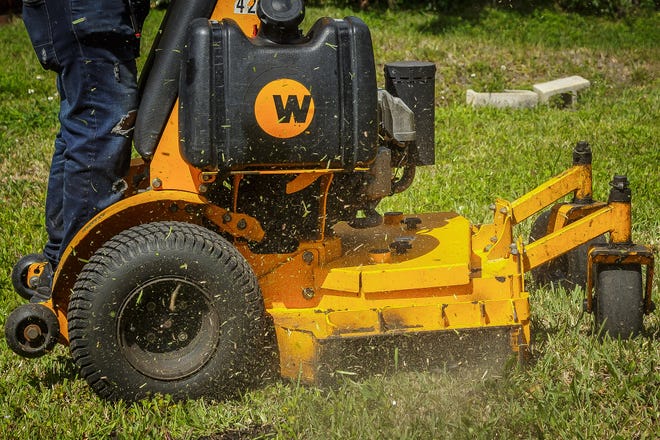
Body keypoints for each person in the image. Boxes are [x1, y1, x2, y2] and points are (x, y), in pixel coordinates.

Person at [21, 0, 150, 300]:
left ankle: (59, 259)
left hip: (75, 13)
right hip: (87, 10)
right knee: (100, 128)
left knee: (84, 126)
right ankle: (83, 282)